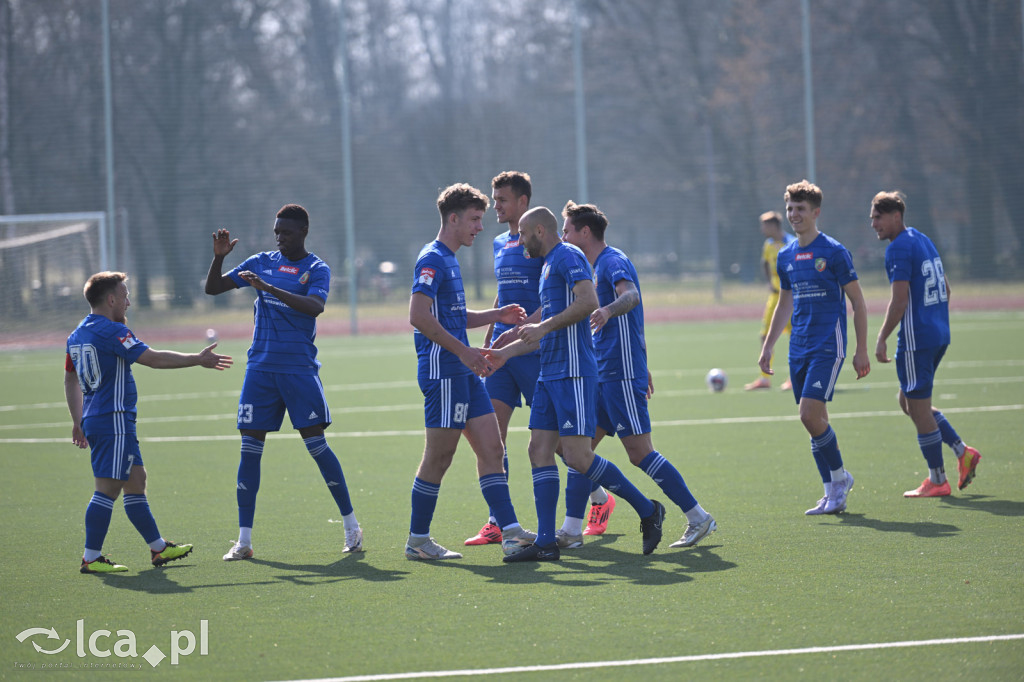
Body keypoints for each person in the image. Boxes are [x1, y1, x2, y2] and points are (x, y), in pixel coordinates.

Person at [484, 206, 666, 562]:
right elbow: (545, 331)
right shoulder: (548, 266)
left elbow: (589, 302)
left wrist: (542, 328)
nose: (520, 243)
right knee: (538, 450)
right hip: (549, 372)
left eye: (523, 234)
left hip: (574, 373)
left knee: (578, 457)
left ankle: (648, 510)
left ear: (539, 230)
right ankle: (547, 541)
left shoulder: (568, 256)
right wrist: (505, 355)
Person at [465, 171, 614, 546]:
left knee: (561, 445)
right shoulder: (499, 242)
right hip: (504, 352)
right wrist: (491, 341)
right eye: (494, 199)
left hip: (536, 351)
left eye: (502, 200)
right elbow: (503, 297)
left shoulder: (543, 240)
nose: (495, 206)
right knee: (491, 440)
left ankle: (599, 498)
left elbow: (553, 299)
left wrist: (525, 332)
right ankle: (497, 520)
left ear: (523, 203)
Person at [205, 204, 362, 560]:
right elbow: (213, 289)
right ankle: (243, 541)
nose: (279, 237)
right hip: (260, 370)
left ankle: (351, 525)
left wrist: (268, 288)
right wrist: (218, 259)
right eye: (276, 231)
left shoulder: (316, 269)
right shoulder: (261, 261)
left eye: (286, 232)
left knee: (317, 447)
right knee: (249, 449)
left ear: (303, 232)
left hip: (298, 371)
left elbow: (314, 307)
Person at [558, 201, 716, 549]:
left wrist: (607, 311)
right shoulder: (592, 265)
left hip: (619, 371)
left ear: (584, 232)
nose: (563, 236)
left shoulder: (612, 261)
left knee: (639, 452)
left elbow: (630, 296)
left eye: (567, 230)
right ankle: (571, 529)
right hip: (603, 373)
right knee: (573, 449)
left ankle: (698, 517)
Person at [66, 272, 233, 573]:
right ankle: (91, 557)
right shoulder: (111, 331)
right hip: (112, 419)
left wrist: (78, 420)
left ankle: (158, 549)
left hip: (103, 419)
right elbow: (153, 358)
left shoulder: (77, 334)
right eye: (125, 295)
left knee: (136, 481)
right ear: (111, 299)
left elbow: (70, 378)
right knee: (107, 489)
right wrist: (197, 359)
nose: (129, 301)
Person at [406, 183, 535, 561]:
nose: (480, 227)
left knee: (493, 449)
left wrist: (497, 314)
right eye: (475, 219)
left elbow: (451, 316)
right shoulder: (432, 259)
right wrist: (463, 351)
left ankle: (510, 534)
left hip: (464, 372)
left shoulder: (449, 258)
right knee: (439, 458)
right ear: (453, 218)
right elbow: (418, 316)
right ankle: (417, 541)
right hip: (444, 373)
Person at [758, 180, 870, 515]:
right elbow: (784, 302)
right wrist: (768, 347)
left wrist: (861, 349)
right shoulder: (785, 255)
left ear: (816, 212)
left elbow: (858, 303)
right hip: (799, 346)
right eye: (790, 208)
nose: (794, 214)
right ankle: (830, 492)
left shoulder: (834, 252)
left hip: (827, 345)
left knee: (808, 415)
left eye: (801, 209)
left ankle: (839, 478)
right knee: (815, 419)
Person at [870, 191, 981, 497]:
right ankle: (963, 452)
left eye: (878, 217)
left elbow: (899, 301)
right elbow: (945, 287)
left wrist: (881, 338)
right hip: (938, 334)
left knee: (918, 410)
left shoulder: (897, 249)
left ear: (896, 216)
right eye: (872, 218)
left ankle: (937, 480)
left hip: (917, 340)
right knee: (908, 402)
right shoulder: (922, 239)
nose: (874, 224)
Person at [745, 211, 797, 391]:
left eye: (764, 225)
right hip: (775, 297)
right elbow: (765, 263)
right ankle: (765, 378)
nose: (762, 229)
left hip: (790, 297)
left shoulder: (790, 243)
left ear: (774, 225)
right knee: (764, 335)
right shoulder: (768, 244)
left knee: (794, 337)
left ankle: (794, 378)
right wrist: (769, 282)